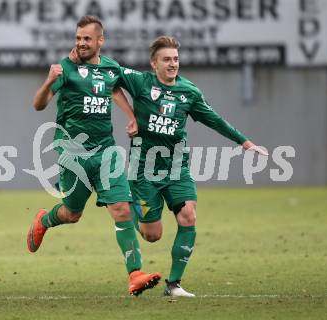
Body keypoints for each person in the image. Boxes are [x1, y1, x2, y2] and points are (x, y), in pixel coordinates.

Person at [69, 35, 267, 297]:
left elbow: (214, 120)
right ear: (154, 63)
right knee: (153, 235)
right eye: (166, 59)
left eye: (175, 59)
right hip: (144, 171)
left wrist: (245, 142)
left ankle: (174, 284)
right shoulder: (140, 82)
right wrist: (81, 59)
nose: (173, 64)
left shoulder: (190, 92)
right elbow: (110, 73)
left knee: (189, 215)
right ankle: (136, 209)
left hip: (176, 167)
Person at [27, 15, 161, 296]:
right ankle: (44, 220)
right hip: (72, 152)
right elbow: (39, 105)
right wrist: (49, 79)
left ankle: (135, 274)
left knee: (121, 209)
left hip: (106, 150)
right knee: (72, 213)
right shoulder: (65, 68)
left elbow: (114, 89)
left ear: (101, 41)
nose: (81, 43)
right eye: (78, 38)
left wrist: (133, 117)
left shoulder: (110, 68)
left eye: (87, 39)